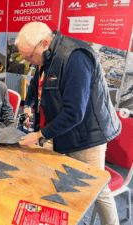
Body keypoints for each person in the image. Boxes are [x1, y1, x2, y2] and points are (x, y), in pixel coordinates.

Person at [16, 22, 121, 225]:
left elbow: (74, 114)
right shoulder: (45, 56)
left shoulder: (76, 58)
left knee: (96, 188)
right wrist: (29, 106)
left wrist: (38, 135)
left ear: (44, 43)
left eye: (29, 57)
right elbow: (36, 82)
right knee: (55, 179)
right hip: (58, 130)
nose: (30, 63)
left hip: (87, 137)